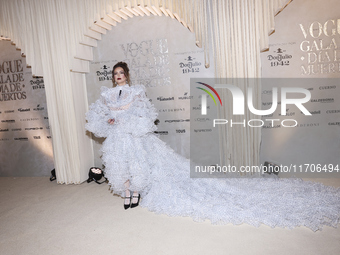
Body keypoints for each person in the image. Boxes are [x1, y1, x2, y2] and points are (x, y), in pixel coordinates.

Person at [85, 61, 340, 231]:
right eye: (115, 74)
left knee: (139, 163)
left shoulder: (136, 91)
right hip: (119, 136)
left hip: (136, 136)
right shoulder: (107, 94)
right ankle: (128, 192)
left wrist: (127, 118)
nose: (118, 77)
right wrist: (110, 119)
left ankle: (137, 193)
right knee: (121, 165)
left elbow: (143, 113)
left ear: (126, 75)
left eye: (121, 74)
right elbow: (101, 115)